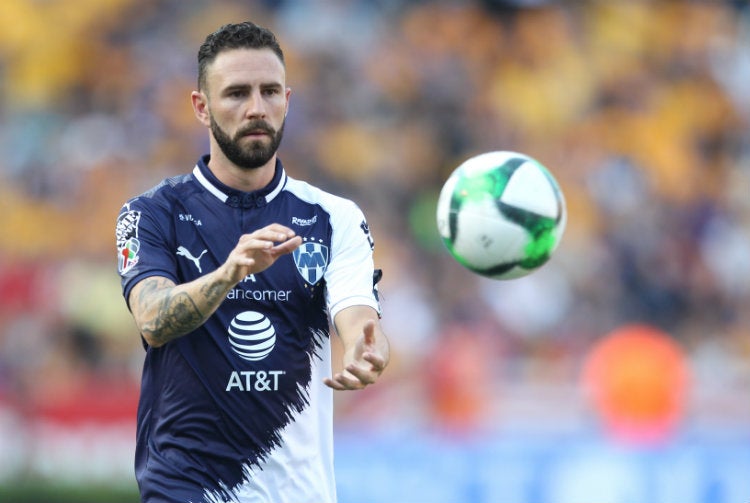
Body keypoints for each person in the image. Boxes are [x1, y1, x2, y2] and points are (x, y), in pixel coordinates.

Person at [115, 21, 390, 503]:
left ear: (288, 99)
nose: (256, 108)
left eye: (269, 92)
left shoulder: (334, 217)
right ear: (201, 107)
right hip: (188, 488)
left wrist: (368, 348)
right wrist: (229, 273)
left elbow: (356, 315)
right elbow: (153, 319)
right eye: (237, 93)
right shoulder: (152, 213)